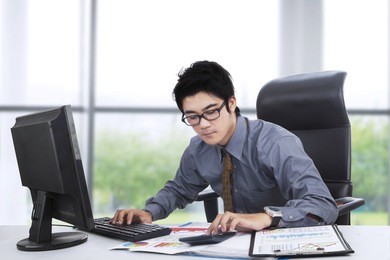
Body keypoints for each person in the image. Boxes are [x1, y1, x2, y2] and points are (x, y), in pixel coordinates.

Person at [111, 60, 338, 234]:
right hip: (232, 243)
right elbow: (178, 190)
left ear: (231, 103)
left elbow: (323, 204)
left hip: (283, 239)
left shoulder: (275, 143)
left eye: (211, 112)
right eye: (192, 117)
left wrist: (266, 217)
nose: (203, 125)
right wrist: (148, 213)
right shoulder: (198, 149)